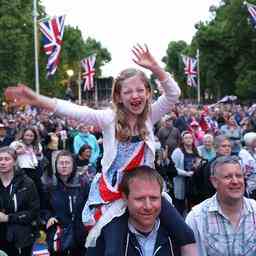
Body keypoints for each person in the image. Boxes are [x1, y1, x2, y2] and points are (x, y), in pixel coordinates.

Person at [5, 44, 183, 246]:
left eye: (140, 90)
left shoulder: (151, 116)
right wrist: (38, 100)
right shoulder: (109, 119)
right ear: (118, 96)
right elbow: (75, 110)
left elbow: (173, 94)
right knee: (112, 247)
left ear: (148, 93)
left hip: (146, 191)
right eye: (128, 92)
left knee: (184, 234)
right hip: (116, 195)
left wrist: (155, 68)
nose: (135, 96)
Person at [87, 165, 197, 256]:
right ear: (125, 198)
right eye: (139, 199)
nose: (148, 206)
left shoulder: (176, 236)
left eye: (154, 198)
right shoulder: (104, 240)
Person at [186, 155, 256, 256]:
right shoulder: (197, 217)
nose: (235, 181)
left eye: (239, 176)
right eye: (228, 177)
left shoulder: (254, 209)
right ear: (214, 182)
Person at [41, 150, 89, 256]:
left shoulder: (82, 183)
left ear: (73, 165)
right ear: (56, 165)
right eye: (61, 163)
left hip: (79, 233)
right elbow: (43, 208)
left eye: (67, 163)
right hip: (58, 232)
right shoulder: (49, 185)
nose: (64, 166)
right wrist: (49, 217)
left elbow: (89, 206)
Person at [0, 147, 40, 256]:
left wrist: (8, 218)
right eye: (0, 159)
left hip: (21, 235)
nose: (2, 162)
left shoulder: (27, 183)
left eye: (7, 159)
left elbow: (33, 212)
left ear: (14, 162)